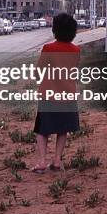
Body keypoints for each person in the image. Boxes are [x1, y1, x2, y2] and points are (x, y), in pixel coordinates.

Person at [33, 13, 80, 174]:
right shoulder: (75, 50)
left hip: (48, 96)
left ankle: (41, 162)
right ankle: (57, 160)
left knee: (42, 130)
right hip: (67, 96)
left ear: (55, 30)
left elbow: (39, 71)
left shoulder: (48, 49)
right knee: (62, 129)